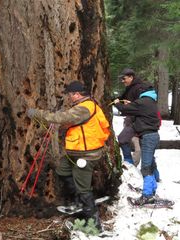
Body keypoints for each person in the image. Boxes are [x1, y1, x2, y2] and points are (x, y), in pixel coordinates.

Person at [27, 81, 110, 231]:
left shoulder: (85, 108)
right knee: (62, 171)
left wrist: (38, 114)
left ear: (77, 94)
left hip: (86, 155)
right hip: (76, 152)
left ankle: (94, 226)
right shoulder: (84, 106)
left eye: (70, 95)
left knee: (84, 189)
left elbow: (64, 118)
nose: (69, 98)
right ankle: (78, 203)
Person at [114, 84, 160, 205]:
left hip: (148, 138)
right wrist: (132, 104)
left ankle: (147, 195)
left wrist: (117, 103)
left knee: (145, 167)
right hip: (152, 136)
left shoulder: (143, 102)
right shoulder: (150, 101)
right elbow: (137, 109)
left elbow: (124, 109)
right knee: (149, 164)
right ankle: (151, 190)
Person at [117, 68, 160, 181]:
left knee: (123, 139)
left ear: (131, 77)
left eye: (124, 78)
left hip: (138, 122)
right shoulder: (132, 88)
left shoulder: (138, 88)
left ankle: (129, 163)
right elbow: (134, 103)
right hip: (142, 124)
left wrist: (125, 105)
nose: (123, 81)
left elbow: (137, 106)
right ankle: (155, 177)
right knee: (148, 155)